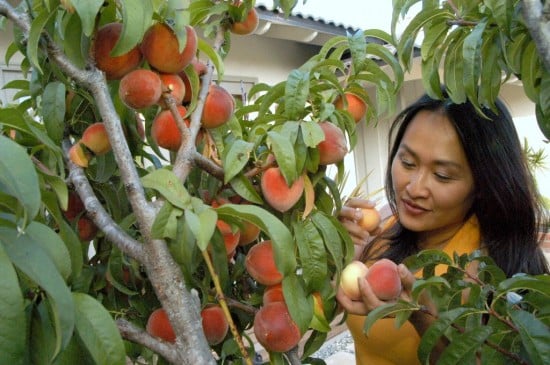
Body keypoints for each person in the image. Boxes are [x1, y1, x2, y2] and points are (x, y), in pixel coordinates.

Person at [336, 91, 550, 365]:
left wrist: (423, 318)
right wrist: (342, 250)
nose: (413, 188)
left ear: (483, 184)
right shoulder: (389, 222)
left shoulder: (487, 277)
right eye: (407, 162)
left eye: (442, 175)